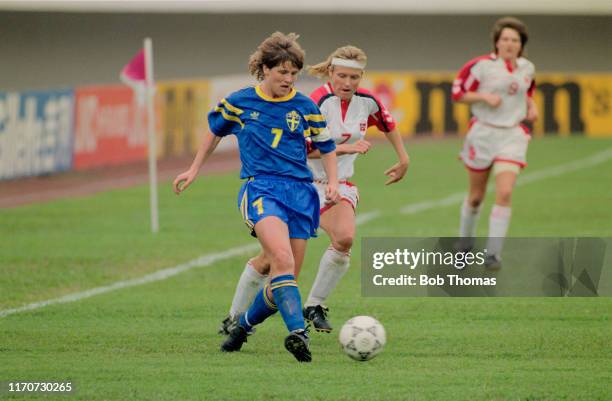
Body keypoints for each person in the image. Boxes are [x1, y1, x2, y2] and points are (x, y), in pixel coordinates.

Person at [219, 45, 409, 335]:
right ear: (330, 73)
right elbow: (302, 150)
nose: (347, 83)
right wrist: (345, 147)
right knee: (275, 261)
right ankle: (235, 318)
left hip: (338, 184)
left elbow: (387, 123)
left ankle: (314, 305)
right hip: (301, 185)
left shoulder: (367, 102)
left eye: (354, 78)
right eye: (342, 76)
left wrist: (403, 158)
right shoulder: (313, 102)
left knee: (344, 238)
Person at [173, 32, 339, 362]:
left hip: (301, 193)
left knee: (284, 281)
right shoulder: (240, 102)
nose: (289, 80)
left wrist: (332, 181)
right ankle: (297, 334)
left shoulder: (304, 106)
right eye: (282, 73)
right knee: (282, 259)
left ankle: (241, 328)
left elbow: (326, 146)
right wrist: (193, 169)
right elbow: (214, 132)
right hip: (262, 188)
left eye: (293, 74)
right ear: (265, 69)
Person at [452, 17, 537, 269]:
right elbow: (457, 94)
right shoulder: (480, 66)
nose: (510, 44)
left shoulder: (527, 68)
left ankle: (493, 254)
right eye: (506, 39)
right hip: (483, 134)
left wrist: (532, 107)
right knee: (476, 197)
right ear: (497, 43)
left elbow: (528, 92)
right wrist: (483, 97)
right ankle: (465, 244)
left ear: (521, 45)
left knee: (505, 192)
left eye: (515, 40)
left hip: (512, 135)